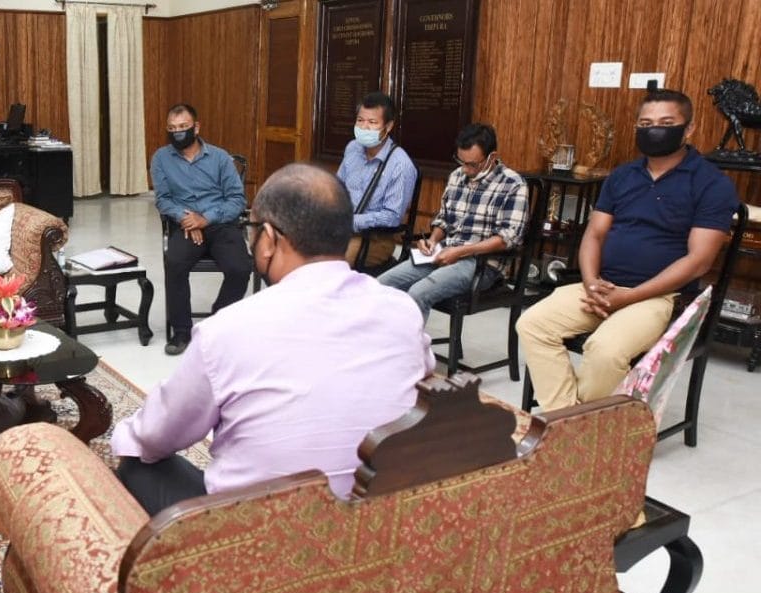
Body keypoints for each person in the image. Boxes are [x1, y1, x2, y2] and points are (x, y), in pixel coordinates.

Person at [112, 163, 435, 516]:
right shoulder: (401, 310)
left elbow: (156, 436)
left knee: (137, 464)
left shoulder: (229, 330)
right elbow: (426, 386)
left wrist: (126, 435)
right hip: (380, 518)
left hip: (263, 536)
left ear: (268, 238)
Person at [517, 89, 737, 411]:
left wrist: (629, 297)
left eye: (666, 122)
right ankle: (567, 416)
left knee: (604, 350)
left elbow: (699, 261)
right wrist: (592, 281)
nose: (654, 130)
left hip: (658, 297)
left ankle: (575, 423)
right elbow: (594, 234)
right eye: (645, 123)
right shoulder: (622, 176)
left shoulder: (711, 183)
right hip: (603, 286)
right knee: (532, 324)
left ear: (689, 128)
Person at [377, 123, 528, 319]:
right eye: (461, 161)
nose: (465, 169)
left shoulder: (513, 184)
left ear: (493, 157)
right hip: (446, 251)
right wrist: (432, 241)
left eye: (472, 164)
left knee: (418, 293)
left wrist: (461, 252)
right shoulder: (457, 176)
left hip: (481, 264)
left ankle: (410, 348)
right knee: (381, 284)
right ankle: (381, 342)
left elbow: (508, 238)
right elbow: (444, 220)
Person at [152, 103, 250, 356]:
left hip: (220, 224)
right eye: (172, 128)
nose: (177, 133)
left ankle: (217, 324)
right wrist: (187, 219)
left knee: (240, 268)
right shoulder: (161, 158)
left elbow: (237, 200)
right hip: (185, 225)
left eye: (183, 127)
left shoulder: (219, 157)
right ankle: (182, 332)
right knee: (174, 263)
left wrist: (205, 219)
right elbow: (163, 199)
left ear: (196, 127)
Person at [337, 92, 418, 270]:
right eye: (360, 120)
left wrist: (354, 221)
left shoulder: (400, 164)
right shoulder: (353, 148)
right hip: (340, 229)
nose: (364, 127)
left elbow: (392, 217)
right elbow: (336, 188)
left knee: (333, 265)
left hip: (374, 239)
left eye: (372, 122)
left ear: (388, 126)